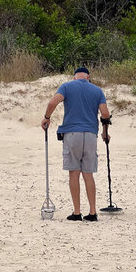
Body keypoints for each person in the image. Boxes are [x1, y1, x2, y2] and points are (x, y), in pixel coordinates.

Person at [41, 67, 111, 222]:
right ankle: (92, 212)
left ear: (74, 77)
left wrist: (47, 117)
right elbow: (105, 114)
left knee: (74, 172)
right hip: (91, 135)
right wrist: (105, 132)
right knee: (88, 173)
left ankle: (77, 212)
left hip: (72, 134)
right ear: (88, 77)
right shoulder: (97, 90)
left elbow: (53, 101)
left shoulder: (67, 86)